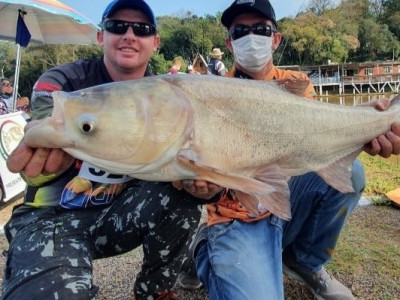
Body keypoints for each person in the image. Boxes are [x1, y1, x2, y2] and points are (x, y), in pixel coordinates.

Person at [178, 1, 400, 299]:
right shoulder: (211, 93)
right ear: (229, 43)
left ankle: (304, 261)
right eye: (241, 31)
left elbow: (320, 137)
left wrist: (372, 125)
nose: (251, 37)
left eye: (260, 29)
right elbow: (192, 175)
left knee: (354, 174)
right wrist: (204, 189)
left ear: (276, 38)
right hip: (237, 214)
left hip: (284, 197)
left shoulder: (295, 84)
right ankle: (205, 247)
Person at [2, 1, 221, 299]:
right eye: (118, 26)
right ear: (100, 36)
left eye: (141, 29)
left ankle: (155, 292)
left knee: (183, 198)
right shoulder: (65, 82)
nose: (129, 34)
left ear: (155, 43)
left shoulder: (167, 96)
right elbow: (47, 115)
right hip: (51, 216)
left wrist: (211, 188)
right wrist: (45, 131)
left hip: (119, 216)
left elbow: (197, 154)